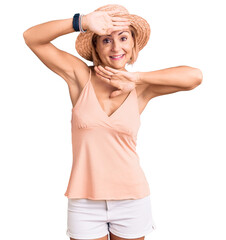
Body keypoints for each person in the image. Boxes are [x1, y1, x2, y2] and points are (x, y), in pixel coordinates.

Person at [23, 4, 203, 240]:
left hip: (132, 199)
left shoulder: (141, 88)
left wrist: (136, 78)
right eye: (106, 40)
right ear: (96, 46)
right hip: (85, 200)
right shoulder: (80, 77)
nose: (116, 47)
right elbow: (32, 38)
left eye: (123, 38)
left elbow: (194, 77)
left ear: (132, 44)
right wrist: (82, 22)